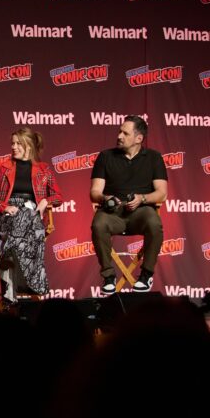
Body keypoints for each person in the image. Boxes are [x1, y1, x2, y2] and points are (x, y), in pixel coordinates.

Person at [0, 127, 63, 304]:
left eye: (18, 143)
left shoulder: (43, 169)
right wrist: (5, 207)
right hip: (6, 217)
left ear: (29, 146)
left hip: (32, 216)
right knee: (22, 214)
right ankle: (35, 281)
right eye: (12, 143)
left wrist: (45, 202)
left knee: (27, 213)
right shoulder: (1, 168)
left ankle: (8, 275)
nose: (14, 147)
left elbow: (58, 196)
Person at [90, 115, 168, 293]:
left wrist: (142, 198)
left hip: (140, 211)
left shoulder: (154, 158)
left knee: (154, 222)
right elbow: (94, 192)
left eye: (125, 133)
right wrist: (105, 198)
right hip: (112, 212)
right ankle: (108, 276)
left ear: (139, 138)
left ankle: (146, 275)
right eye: (119, 131)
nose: (119, 136)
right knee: (98, 224)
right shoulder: (105, 156)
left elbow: (162, 193)